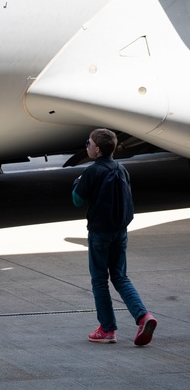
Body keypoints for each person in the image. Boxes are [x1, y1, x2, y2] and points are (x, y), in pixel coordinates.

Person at [72, 128, 157, 345]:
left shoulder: (92, 171)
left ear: (97, 149)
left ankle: (107, 329)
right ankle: (143, 316)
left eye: (89, 143)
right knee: (120, 277)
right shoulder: (121, 169)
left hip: (100, 233)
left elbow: (77, 200)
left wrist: (77, 182)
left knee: (100, 280)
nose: (87, 146)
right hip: (120, 231)